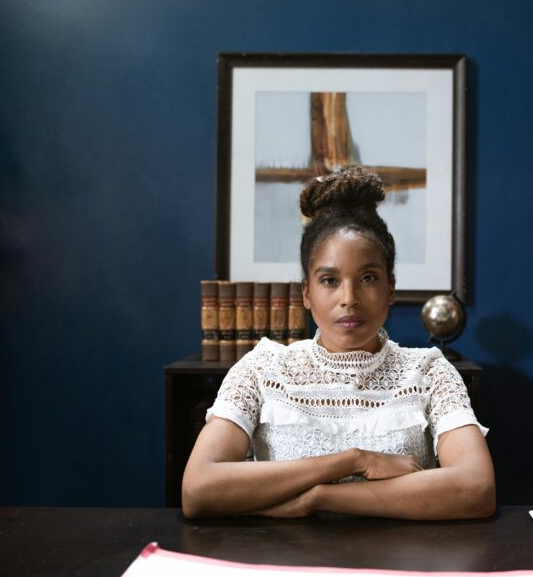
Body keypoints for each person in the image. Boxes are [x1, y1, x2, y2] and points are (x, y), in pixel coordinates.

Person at [182, 167, 495, 519]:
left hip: (403, 565)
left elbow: (476, 488)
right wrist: (353, 461)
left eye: (368, 278)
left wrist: (318, 498)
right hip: (283, 562)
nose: (349, 298)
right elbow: (198, 489)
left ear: (390, 288)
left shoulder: (428, 371)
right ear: (306, 293)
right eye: (330, 280)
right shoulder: (263, 368)